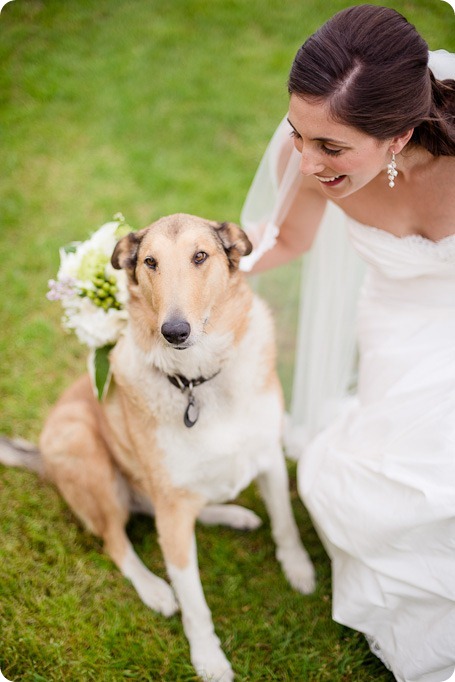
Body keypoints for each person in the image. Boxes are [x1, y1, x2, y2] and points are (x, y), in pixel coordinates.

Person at [239, 5, 455, 682]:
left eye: (330, 148)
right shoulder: (301, 159)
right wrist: (195, 271)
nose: (304, 160)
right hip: (394, 323)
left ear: (398, 136)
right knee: (390, 483)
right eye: (299, 134)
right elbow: (286, 240)